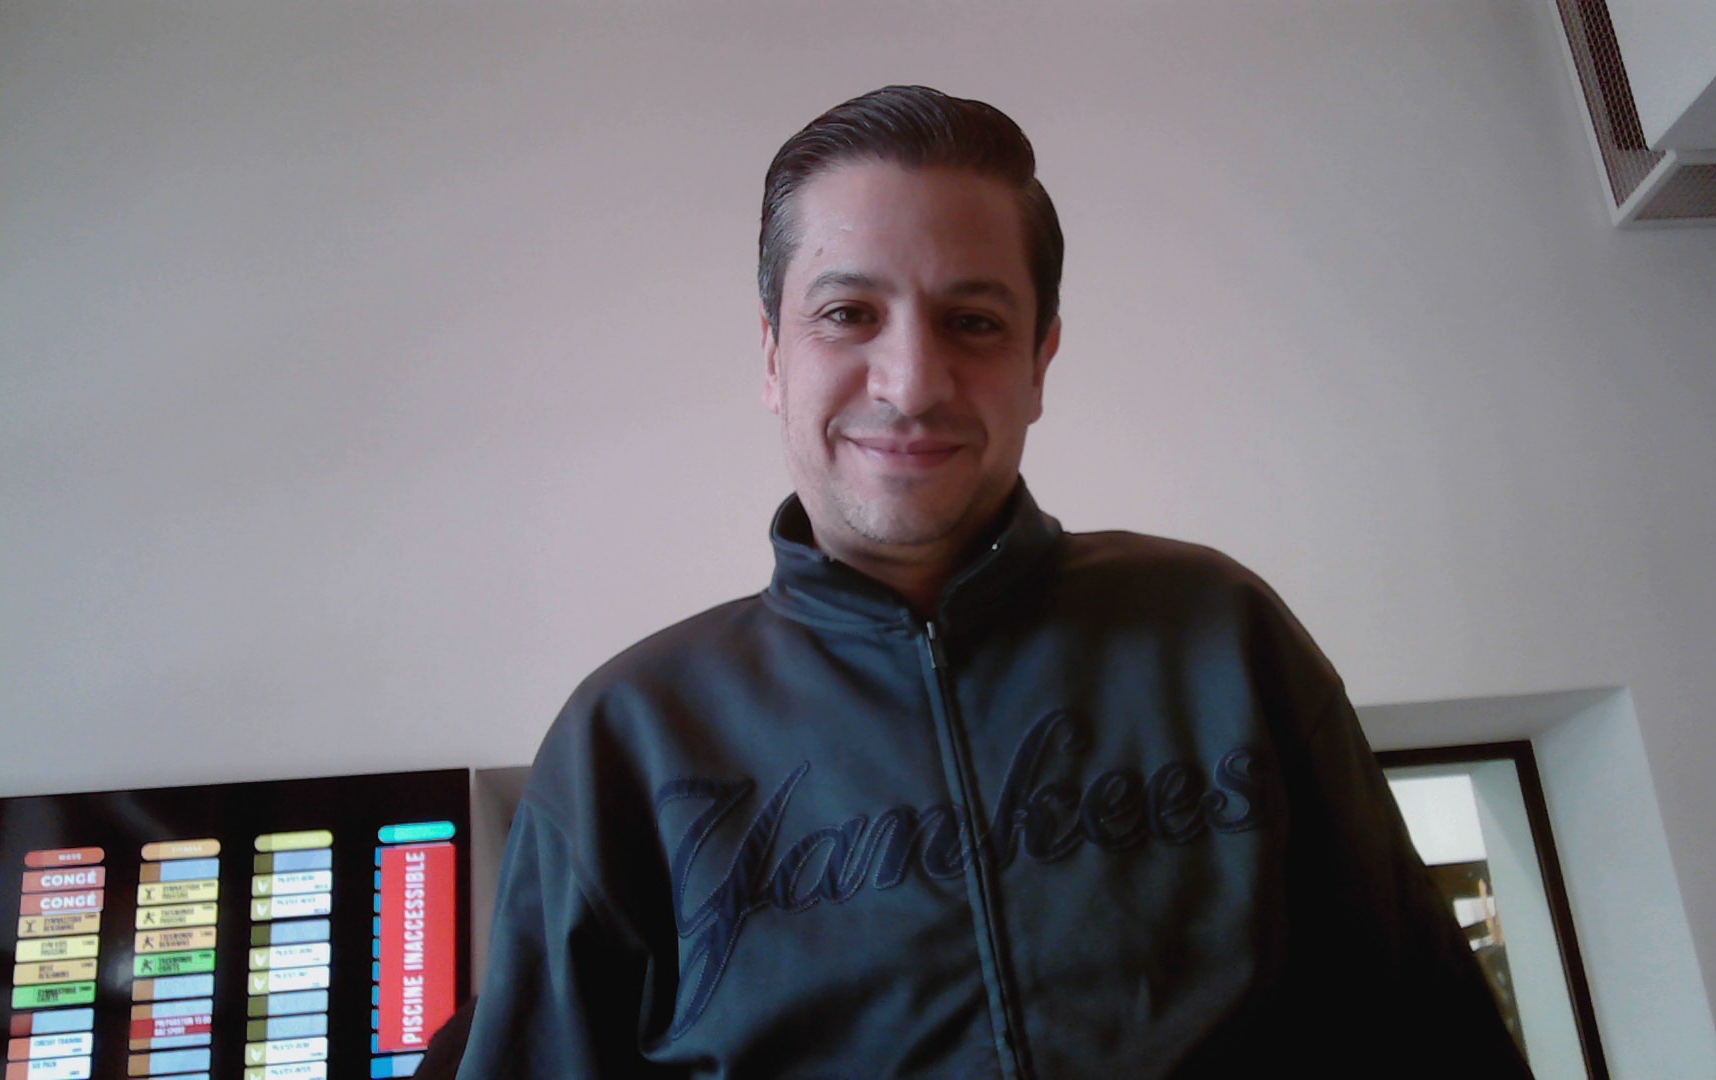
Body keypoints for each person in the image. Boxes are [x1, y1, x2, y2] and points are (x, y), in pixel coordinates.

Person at [457, 86, 1529, 1078]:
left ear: (1039, 362)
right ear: (774, 356)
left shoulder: (1220, 636)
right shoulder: (628, 740)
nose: (912, 383)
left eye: (973, 322)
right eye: (848, 313)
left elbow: (1435, 1038)